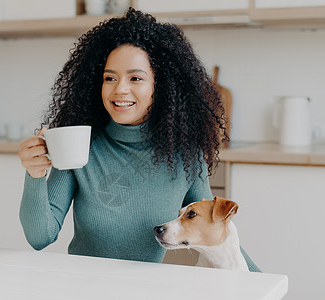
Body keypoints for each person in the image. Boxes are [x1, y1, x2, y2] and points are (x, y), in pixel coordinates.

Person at [18, 8, 260, 272]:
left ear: (162, 85)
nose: (120, 88)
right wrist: (34, 174)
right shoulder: (80, 148)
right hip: (82, 287)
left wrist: (263, 284)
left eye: (135, 78)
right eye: (110, 77)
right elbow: (40, 238)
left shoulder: (185, 157)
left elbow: (217, 237)